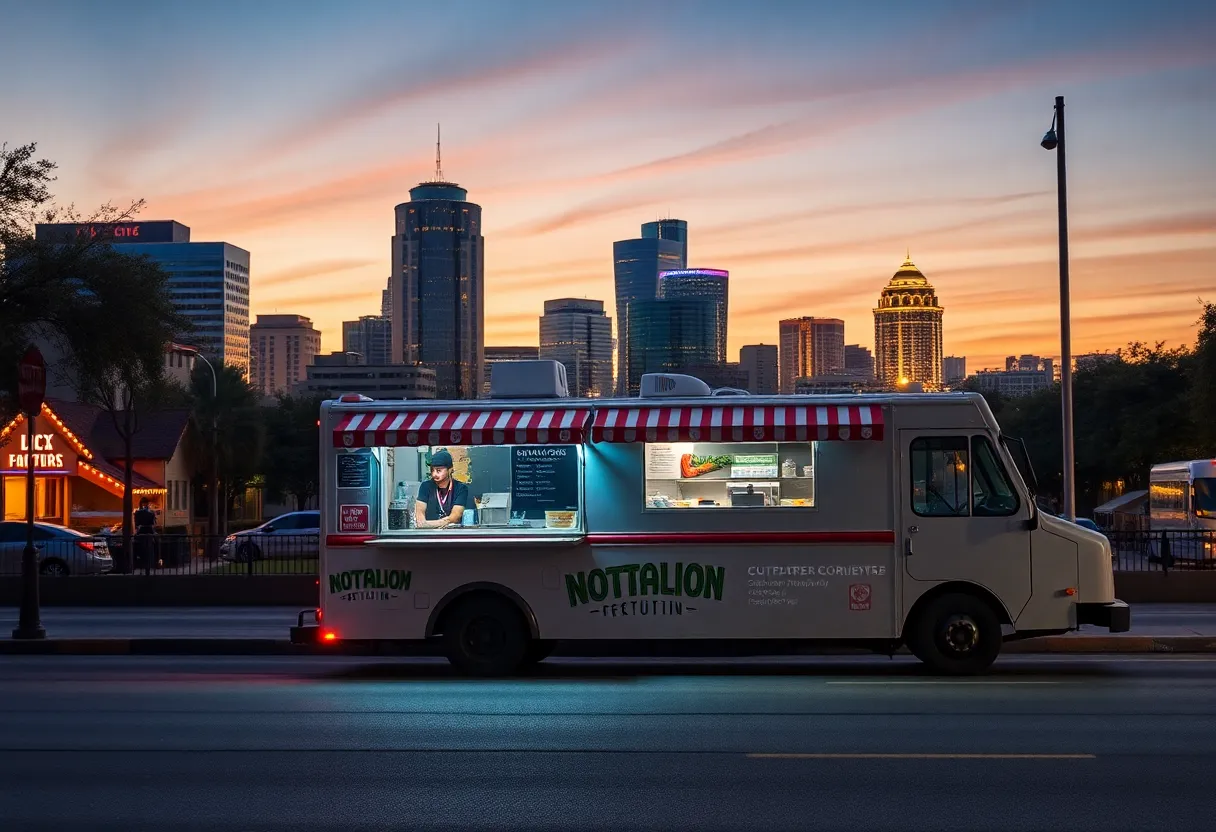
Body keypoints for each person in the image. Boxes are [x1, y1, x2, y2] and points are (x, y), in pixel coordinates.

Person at [414, 450, 468, 529]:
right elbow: (420, 519)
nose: (434, 474)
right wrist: (443, 522)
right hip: (429, 534)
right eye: (432, 470)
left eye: (438, 470)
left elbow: (455, 517)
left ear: (450, 470)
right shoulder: (425, 486)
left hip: (453, 534)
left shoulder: (461, 488)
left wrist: (428, 524)